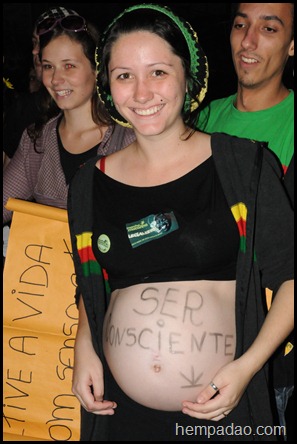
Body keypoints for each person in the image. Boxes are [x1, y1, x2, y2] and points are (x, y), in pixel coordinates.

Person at [66, 4, 294, 441]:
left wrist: (248, 368)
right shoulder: (88, 186)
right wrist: (84, 347)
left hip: (220, 411)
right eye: (124, 75)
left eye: (158, 72)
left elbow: (291, 276)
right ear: (108, 87)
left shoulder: (242, 164)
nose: (141, 92)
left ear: (187, 77)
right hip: (120, 413)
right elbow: (91, 281)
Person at [196, 3, 294, 438]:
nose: (248, 41)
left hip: (270, 360)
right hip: (196, 347)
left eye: (268, 28)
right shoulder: (199, 121)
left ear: (293, 45)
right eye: (240, 25)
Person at [3, 11, 135, 225]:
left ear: (96, 69)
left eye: (69, 66)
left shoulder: (129, 141)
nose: (55, 79)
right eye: (48, 66)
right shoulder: (37, 141)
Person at [3, 6, 81, 164]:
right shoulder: (23, 109)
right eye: (34, 42)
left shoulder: (109, 112)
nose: (35, 51)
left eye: (45, 42)